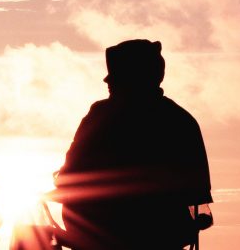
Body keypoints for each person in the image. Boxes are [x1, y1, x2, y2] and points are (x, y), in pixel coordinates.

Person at [54, 40, 214, 250]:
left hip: (99, 234)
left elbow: (69, 174)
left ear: (128, 80)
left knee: (31, 233)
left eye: (115, 80)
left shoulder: (101, 116)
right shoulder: (182, 120)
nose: (108, 85)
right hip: (167, 235)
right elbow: (199, 193)